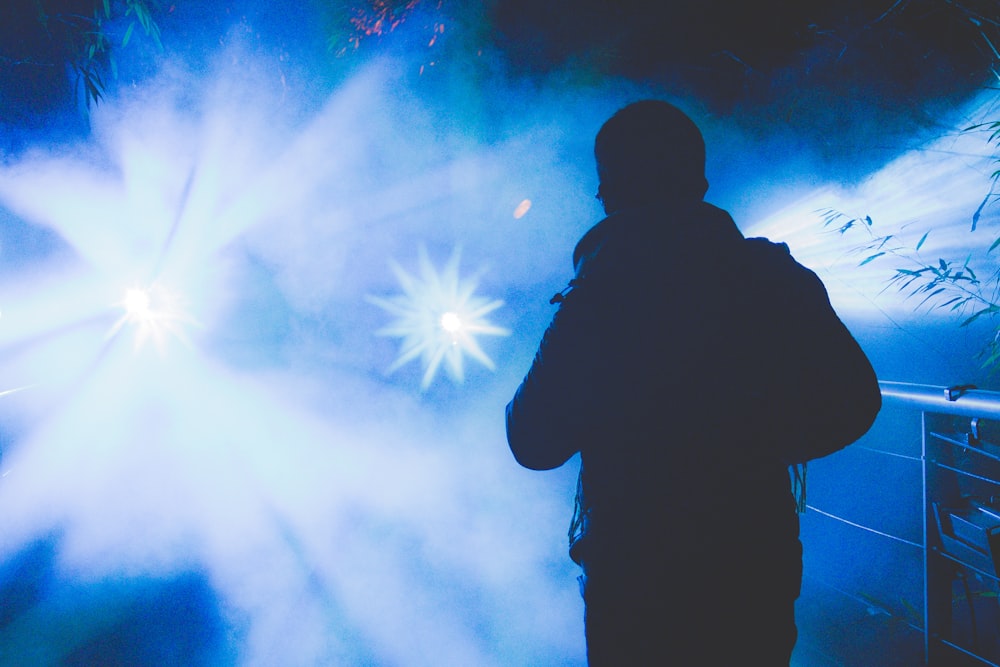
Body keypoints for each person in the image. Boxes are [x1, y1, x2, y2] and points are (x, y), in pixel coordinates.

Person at [505, 100, 882, 665]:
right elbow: (856, 400)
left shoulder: (599, 295)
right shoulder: (770, 275)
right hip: (753, 558)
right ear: (700, 182)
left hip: (634, 573)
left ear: (611, 190)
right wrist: (757, 447)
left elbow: (531, 442)